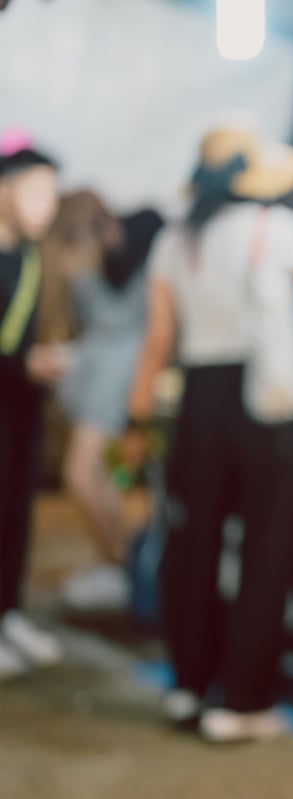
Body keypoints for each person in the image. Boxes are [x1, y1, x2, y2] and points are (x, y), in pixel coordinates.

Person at [124, 127, 293, 742]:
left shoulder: (176, 241)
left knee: (192, 543)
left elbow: (157, 340)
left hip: (198, 400)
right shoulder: (276, 227)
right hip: (263, 400)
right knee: (265, 547)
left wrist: (135, 415)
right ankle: (244, 702)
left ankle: (188, 685)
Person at [43, 191, 163, 611]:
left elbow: (124, 320)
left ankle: (116, 563)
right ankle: (113, 562)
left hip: (116, 377)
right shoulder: (109, 261)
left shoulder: (144, 253)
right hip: (102, 373)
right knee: (111, 480)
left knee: (83, 473)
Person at [0, 134, 66, 678]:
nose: (47, 207)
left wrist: (34, 362)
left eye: (52, 196)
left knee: (16, 511)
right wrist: (22, 364)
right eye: (36, 193)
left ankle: (9, 613)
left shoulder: (26, 255)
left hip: (20, 408)